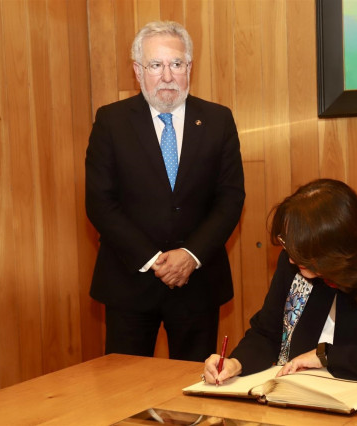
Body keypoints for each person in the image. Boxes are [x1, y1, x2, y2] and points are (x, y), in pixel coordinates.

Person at [86, 21, 245, 361]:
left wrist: (190, 255)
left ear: (189, 67)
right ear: (138, 71)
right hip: (129, 282)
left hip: (198, 283)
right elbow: (100, 203)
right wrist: (154, 260)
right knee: (124, 394)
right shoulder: (110, 122)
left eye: (176, 64)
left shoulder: (218, 120)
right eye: (155, 65)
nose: (168, 76)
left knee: (195, 395)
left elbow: (230, 199)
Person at [203, 179, 357, 391]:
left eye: (303, 252)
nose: (290, 257)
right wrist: (237, 362)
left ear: (337, 250)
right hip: (303, 397)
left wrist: (326, 356)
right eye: (288, 243)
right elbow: (267, 332)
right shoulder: (295, 263)